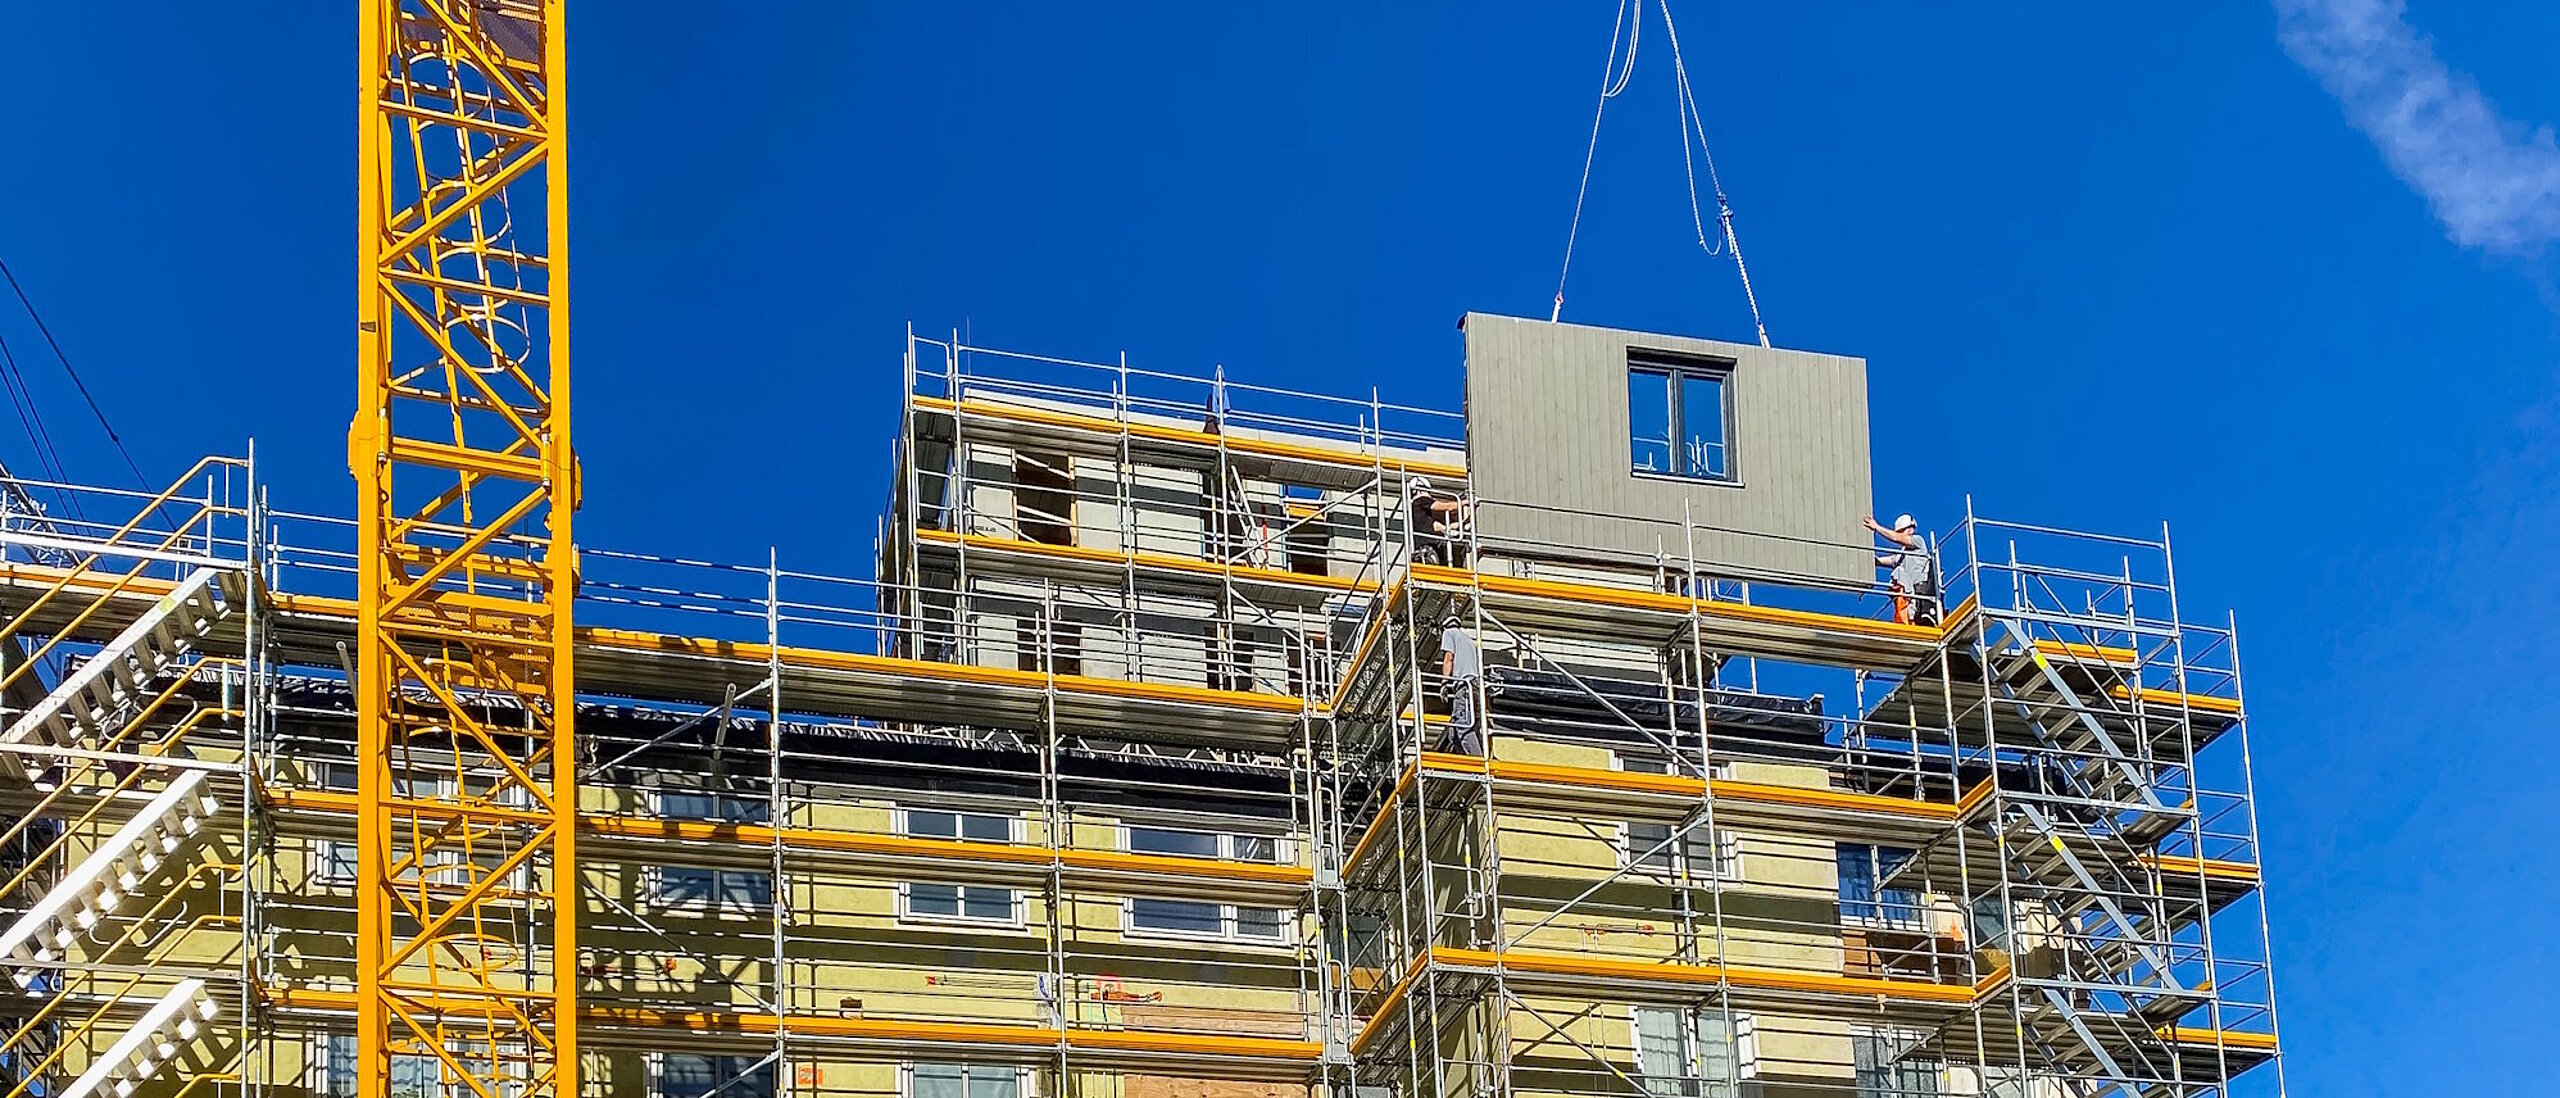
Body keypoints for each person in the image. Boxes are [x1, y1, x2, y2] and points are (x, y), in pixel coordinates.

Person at [1864, 513, 1937, 626]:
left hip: (1921, 593)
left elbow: (1895, 538)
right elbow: (1880, 561)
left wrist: (1877, 527)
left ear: (1910, 529)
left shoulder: (1918, 541)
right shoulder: (1900, 557)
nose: (1900, 535)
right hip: (1910, 598)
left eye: (1901, 531)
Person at [1437, 612, 1484, 755]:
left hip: (1464, 687)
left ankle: (1478, 760)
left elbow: (1449, 658)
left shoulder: (1449, 634)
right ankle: (1464, 761)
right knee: (1454, 731)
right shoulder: (1469, 641)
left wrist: (1444, 683)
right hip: (1475, 686)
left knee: (1463, 725)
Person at [1407, 477, 1461, 565]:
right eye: (1427, 491)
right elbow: (1447, 506)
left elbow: (1439, 527)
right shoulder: (1420, 500)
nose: (1429, 495)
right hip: (1426, 550)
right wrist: (1464, 502)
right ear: (1419, 490)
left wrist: (1461, 525)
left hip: (1425, 550)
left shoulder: (1420, 515)